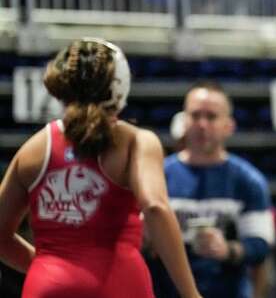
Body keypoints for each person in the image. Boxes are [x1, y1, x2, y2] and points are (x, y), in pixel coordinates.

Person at [0, 38, 201, 298]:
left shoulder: (34, 148)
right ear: (121, 86)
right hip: (117, 283)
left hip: (46, 286)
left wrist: (50, 268)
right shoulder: (135, 141)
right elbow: (155, 207)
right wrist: (191, 293)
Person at [150, 81, 275, 298]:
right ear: (184, 121)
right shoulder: (159, 175)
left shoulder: (247, 180)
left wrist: (228, 250)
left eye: (211, 117)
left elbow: (261, 245)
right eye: (195, 115)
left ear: (229, 125)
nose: (202, 124)